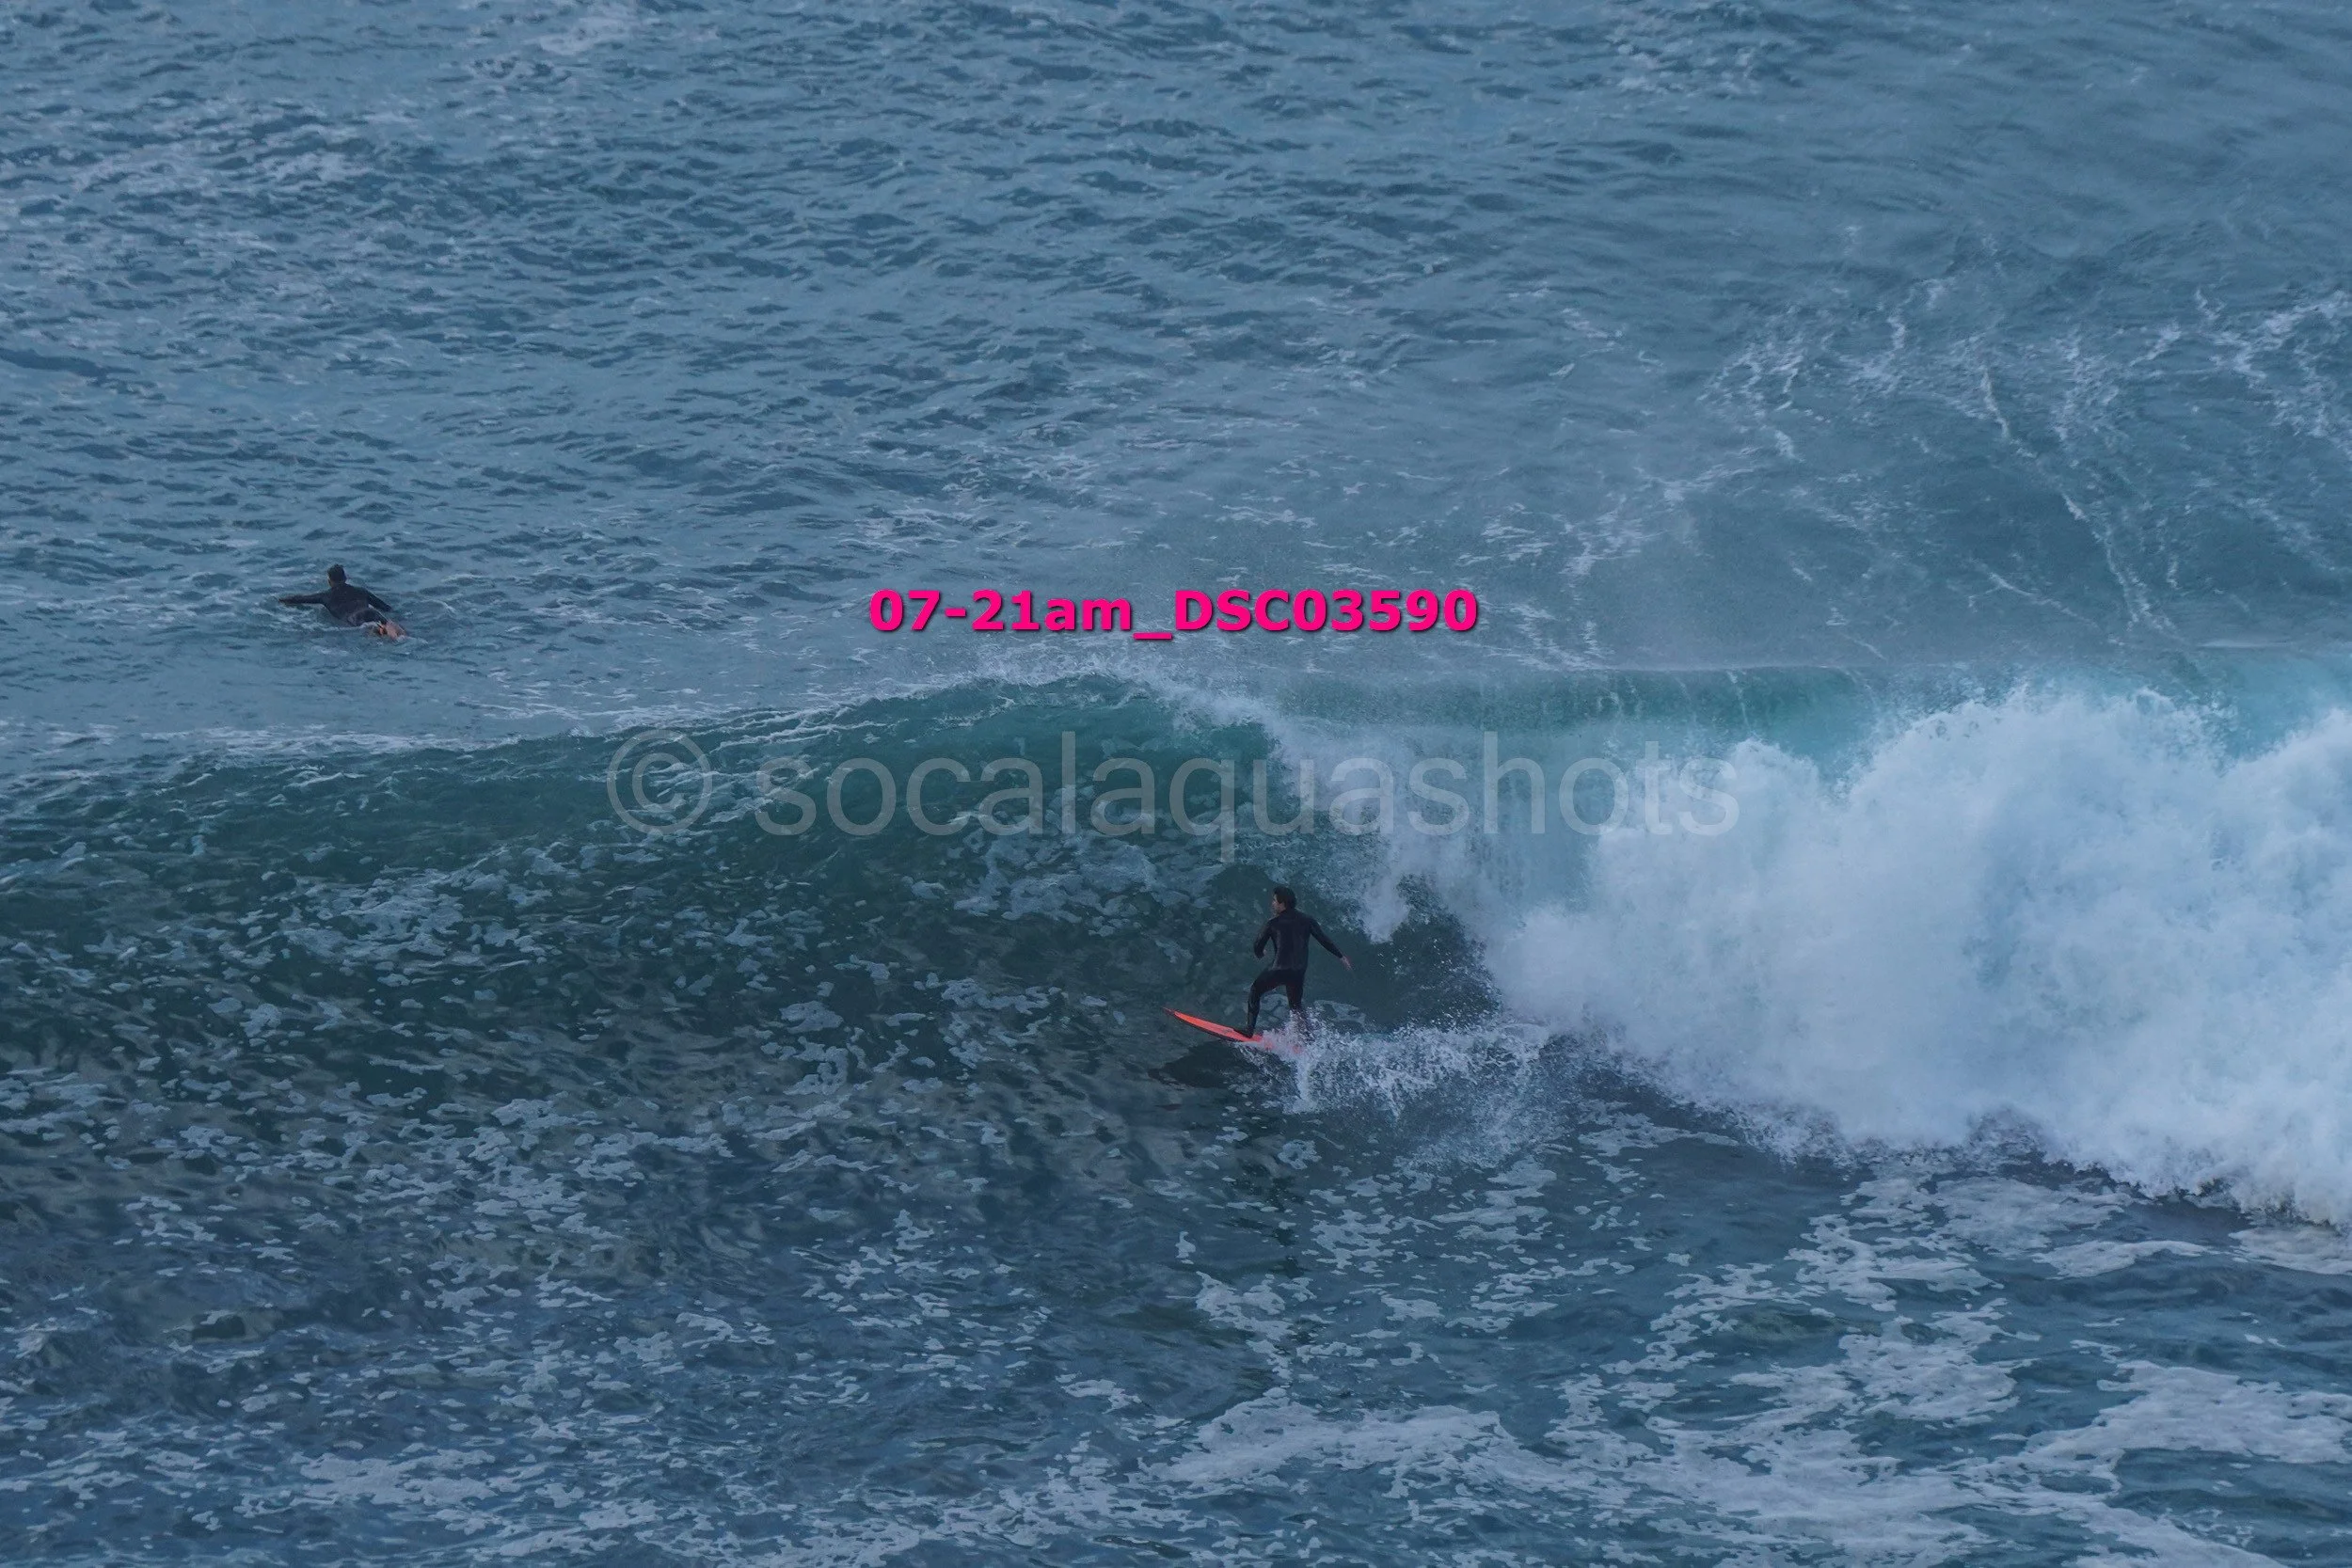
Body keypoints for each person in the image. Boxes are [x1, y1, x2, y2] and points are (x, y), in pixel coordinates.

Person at [1245, 884, 1350, 1037]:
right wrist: (1341, 956)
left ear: (1282, 904)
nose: (1272, 904)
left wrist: (1260, 953)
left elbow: (1257, 945)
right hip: (1298, 972)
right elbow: (1323, 939)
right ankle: (1308, 1038)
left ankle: (1248, 1031)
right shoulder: (1307, 920)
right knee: (1295, 1006)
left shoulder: (1272, 923)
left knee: (1255, 991)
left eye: (1274, 901)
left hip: (1279, 969)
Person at [278, 565, 404, 638]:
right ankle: (395, 633)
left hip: (354, 618)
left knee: (373, 633)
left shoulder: (325, 596)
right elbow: (385, 607)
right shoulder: (361, 591)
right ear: (345, 578)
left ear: (329, 581)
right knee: (391, 628)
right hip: (371, 612)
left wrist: (282, 600)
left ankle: (382, 633)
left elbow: (301, 599)